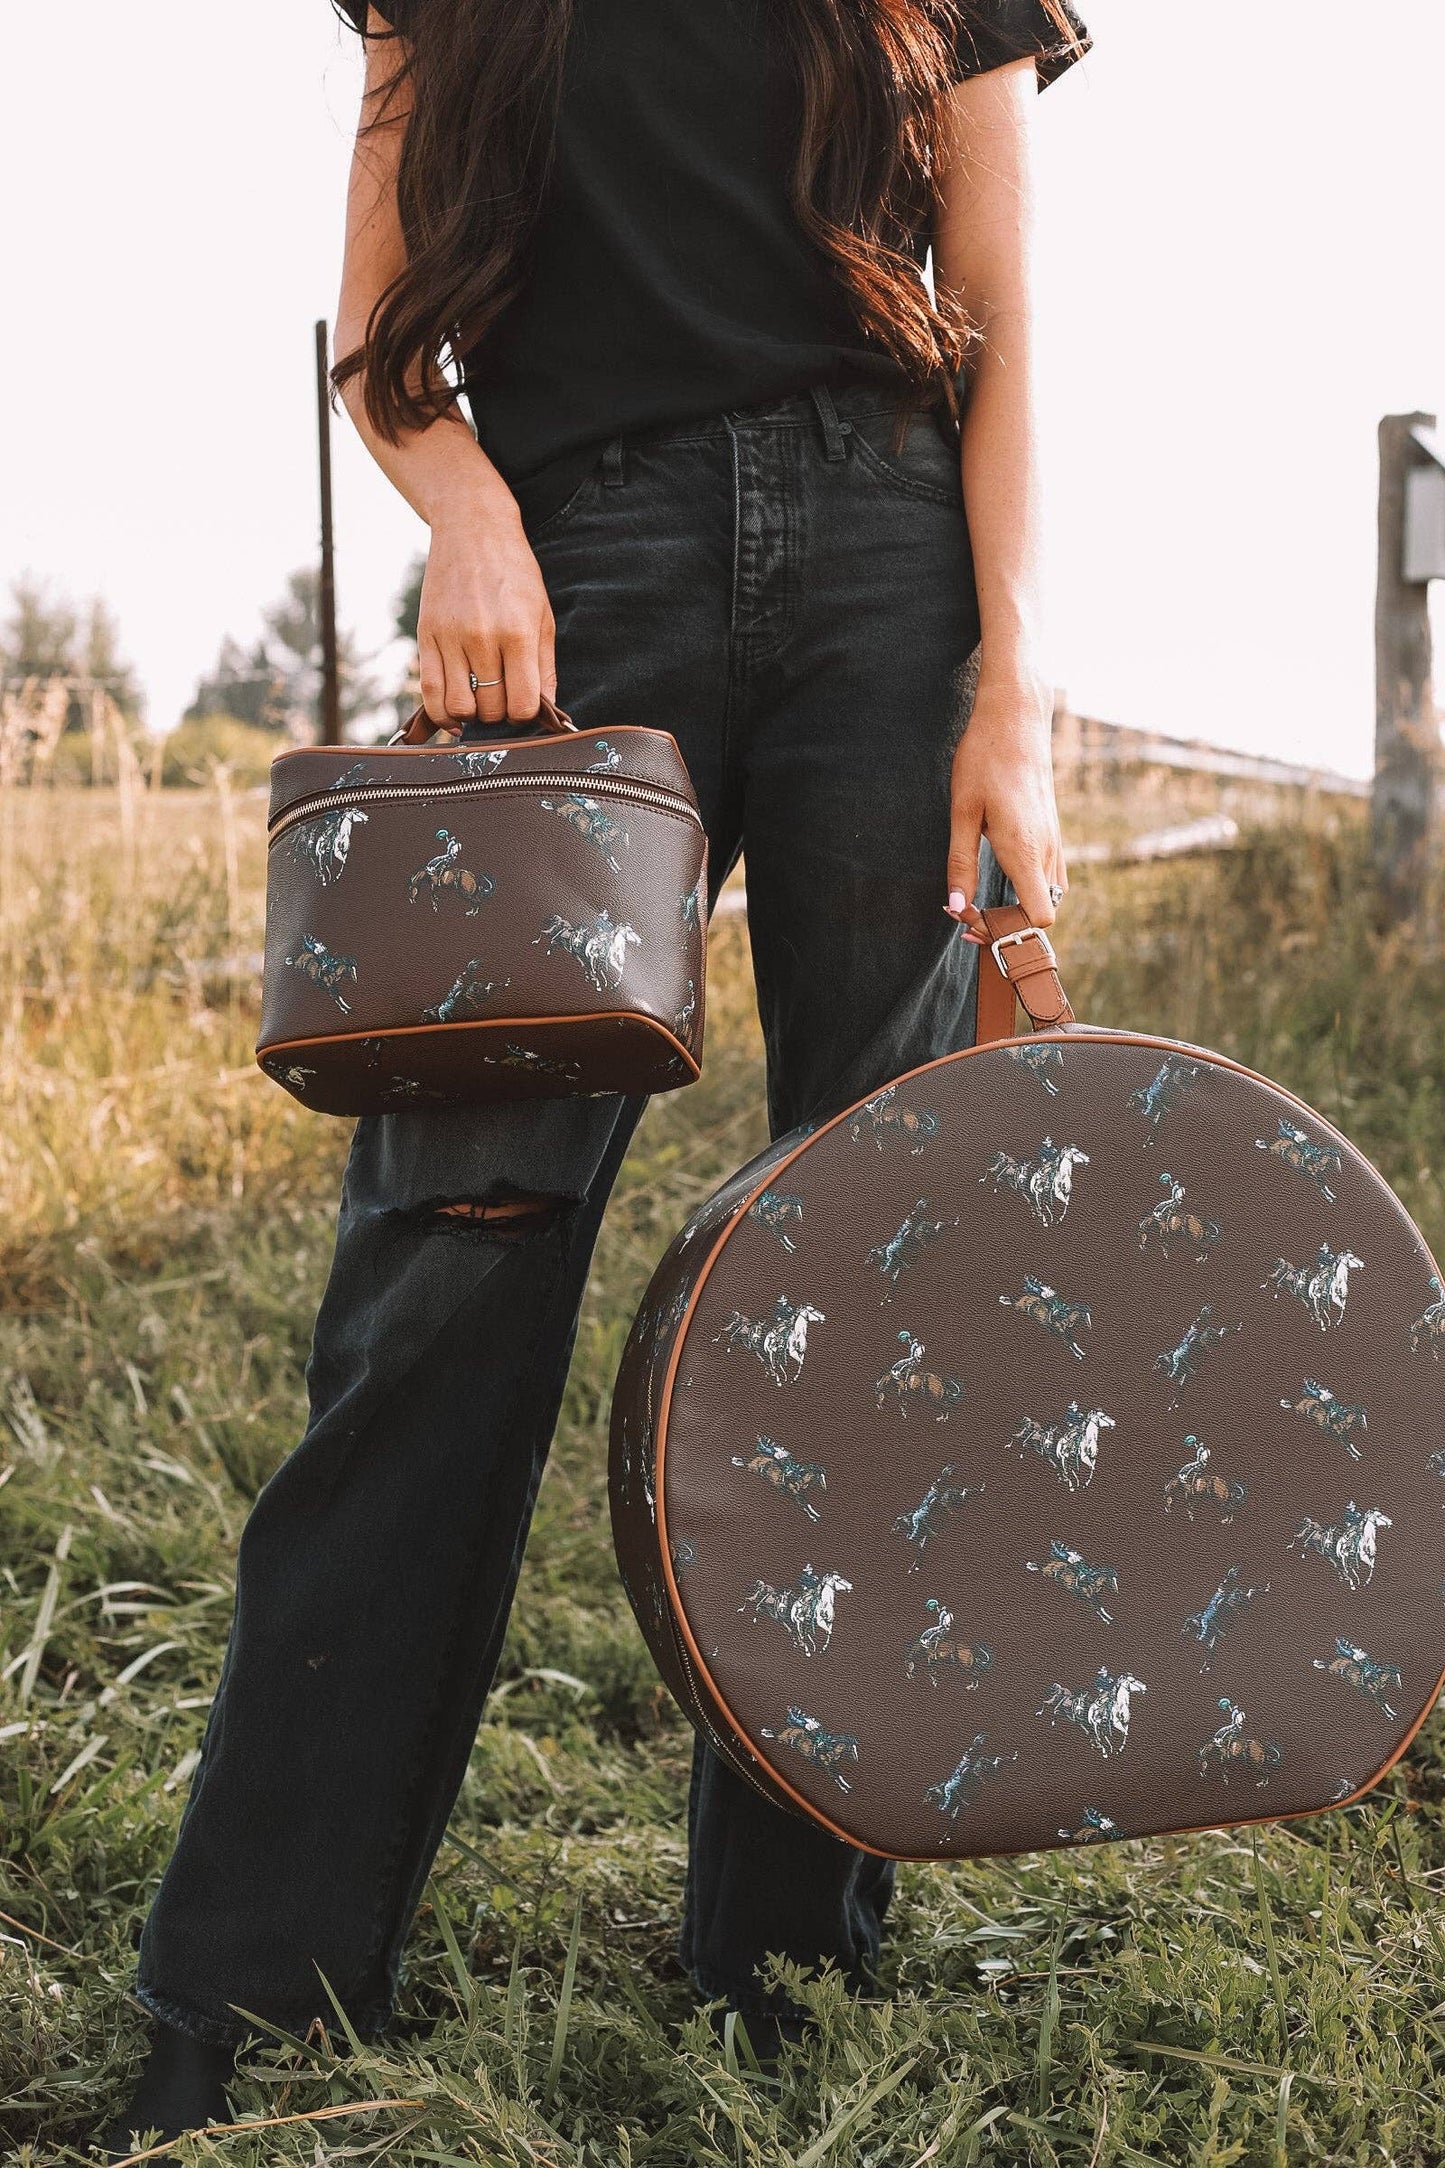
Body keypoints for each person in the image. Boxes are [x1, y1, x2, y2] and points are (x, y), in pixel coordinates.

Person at [103, 0, 1087, 2151]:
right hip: (574, 574)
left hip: (886, 587)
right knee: (442, 1282)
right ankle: (248, 1992)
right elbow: (380, 332)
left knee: (869, 1272)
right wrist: (462, 508)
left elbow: (1001, 311)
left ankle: (790, 1960)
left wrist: (1013, 689)